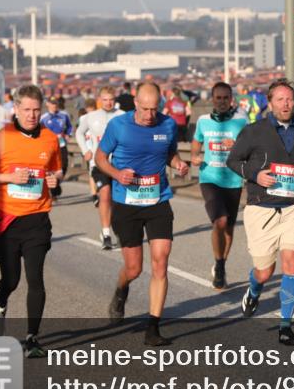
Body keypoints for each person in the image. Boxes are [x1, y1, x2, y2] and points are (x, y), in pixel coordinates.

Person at [227, 80, 294, 346]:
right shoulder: (254, 131)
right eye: (280, 99)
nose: (286, 104)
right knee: (265, 271)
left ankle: (286, 326)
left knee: (292, 264)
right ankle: (254, 290)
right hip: (261, 208)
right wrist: (255, 174)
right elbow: (233, 160)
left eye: (290, 99)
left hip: (292, 208)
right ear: (270, 103)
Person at [0, 85, 63, 358]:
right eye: (26, 109)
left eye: (37, 110)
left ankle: (32, 338)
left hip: (37, 219)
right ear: (16, 109)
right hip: (5, 220)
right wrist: (8, 178)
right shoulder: (3, 137)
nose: (32, 115)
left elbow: (56, 168)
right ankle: (1, 301)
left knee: (36, 278)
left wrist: (54, 179)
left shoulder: (49, 138)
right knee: (11, 280)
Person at [97, 82, 188, 346]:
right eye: (145, 109)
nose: (150, 115)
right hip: (126, 204)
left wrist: (178, 163)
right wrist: (116, 174)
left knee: (161, 261)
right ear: (135, 103)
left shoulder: (168, 124)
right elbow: (102, 158)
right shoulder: (119, 126)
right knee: (134, 268)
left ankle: (153, 327)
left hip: (158, 200)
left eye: (154, 109)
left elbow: (169, 153)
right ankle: (121, 289)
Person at [191, 82, 248, 289]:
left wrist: (238, 146)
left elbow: (251, 147)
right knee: (220, 221)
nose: (222, 102)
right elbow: (196, 143)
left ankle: (222, 262)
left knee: (229, 227)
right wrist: (196, 156)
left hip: (233, 180)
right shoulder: (203, 121)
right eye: (218, 98)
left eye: (226, 98)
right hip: (210, 178)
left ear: (231, 99)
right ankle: (220, 264)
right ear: (212, 99)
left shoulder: (241, 121)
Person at [76, 86, 124, 249]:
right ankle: (106, 233)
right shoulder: (90, 117)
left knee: (118, 201)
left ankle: (118, 228)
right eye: (105, 99)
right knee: (105, 195)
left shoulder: (122, 115)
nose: (108, 103)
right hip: (99, 163)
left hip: (118, 164)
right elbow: (79, 133)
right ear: (99, 100)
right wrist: (86, 151)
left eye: (111, 99)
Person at [40, 96, 74, 200]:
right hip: (48, 145)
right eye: (52, 103)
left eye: (56, 103)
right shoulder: (43, 118)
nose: (54, 105)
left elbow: (69, 127)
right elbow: (39, 131)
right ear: (47, 104)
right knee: (51, 167)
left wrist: (68, 134)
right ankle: (53, 190)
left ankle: (56, 183)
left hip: (61, 143)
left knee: (64, 165)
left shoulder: (64, 115)